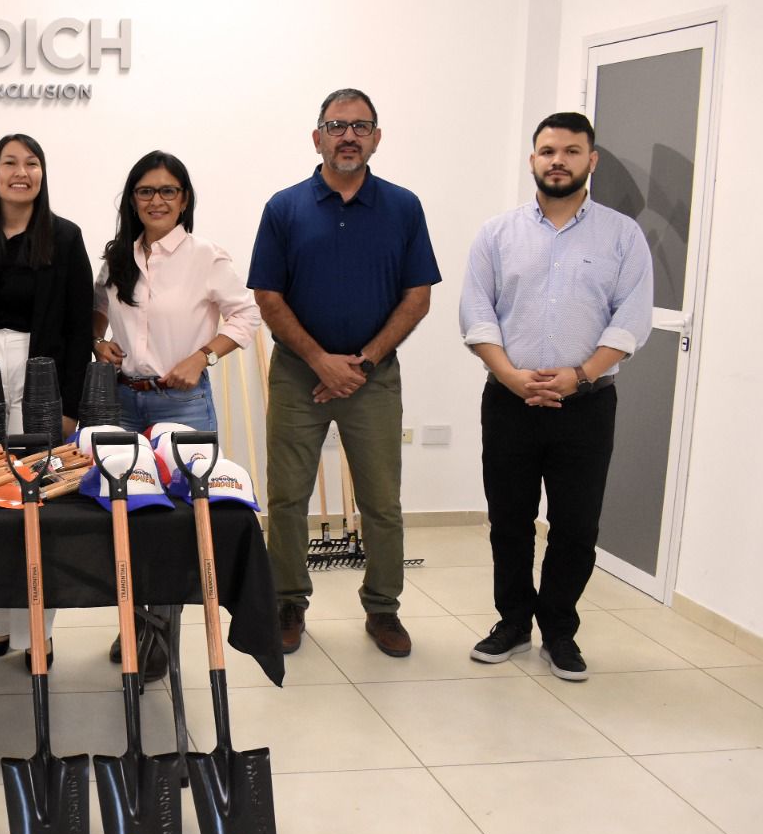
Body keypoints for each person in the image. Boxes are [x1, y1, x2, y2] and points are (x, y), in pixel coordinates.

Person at [459, 112, 652, 681]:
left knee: (576, 525)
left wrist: (581, 375)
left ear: (591, 160)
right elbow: (476, 312)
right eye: (548, 151)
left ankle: (560, 631)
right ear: (533, 160)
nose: (558, 161)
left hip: (586, 406)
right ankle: (514, 623)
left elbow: (631, 319)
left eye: (571, 151)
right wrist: (511, 376)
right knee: (509, 521)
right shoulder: (497, 234)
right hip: (509, 402)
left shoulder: (622, 235)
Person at [248, 88, 440, 659]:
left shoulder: (403, 207)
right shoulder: (284, 208)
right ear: (318, 138)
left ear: (377, 138)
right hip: (297, 375)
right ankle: (288, 603)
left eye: (360, 126)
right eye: (336, 126)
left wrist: (364, 361)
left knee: (381, 502)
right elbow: (268, 296)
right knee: (287, 498)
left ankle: (383, 607)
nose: (348, 136)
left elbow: (417, 297)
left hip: (372, 378)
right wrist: (320, 361)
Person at [93, 150, 260, 680]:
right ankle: (135, 621)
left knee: (176, 526)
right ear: (132, 200)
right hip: (122, 401)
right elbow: (98, 309)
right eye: (146, 191)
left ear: (184, 199)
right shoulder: (118, 257)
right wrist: (98, 342)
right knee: (126, 516)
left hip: (182, 402)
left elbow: (246, 315)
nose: (157, 200)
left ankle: (160, 635)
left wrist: (202, 356)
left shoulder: (206, 255)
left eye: (168, 191)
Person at [0, 134, 92, 665]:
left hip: (38, 370)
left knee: (35, 492)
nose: (21, 171)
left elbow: (78, 326)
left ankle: (37, 633)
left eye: (32, 163)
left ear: (42, 174)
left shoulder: (64, 236)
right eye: (9, 162)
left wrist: (69, 404)